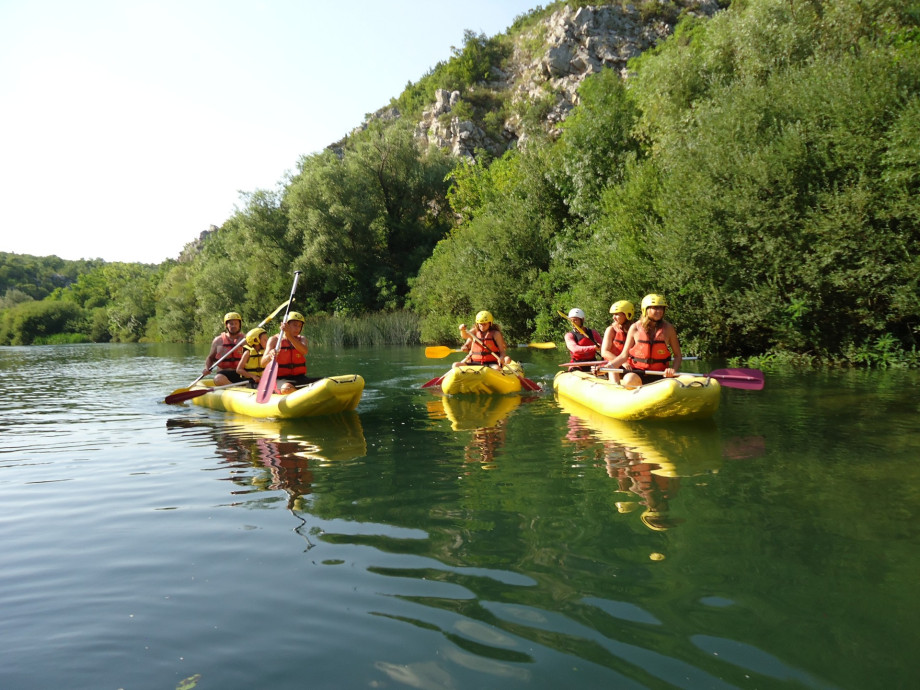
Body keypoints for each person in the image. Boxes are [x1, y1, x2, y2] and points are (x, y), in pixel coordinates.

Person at [608, 294, 682, 388]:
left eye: (661, 308)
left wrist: (673, 370)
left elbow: (678, 355)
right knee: (629, 379)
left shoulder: (669, 329)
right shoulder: (635, 328)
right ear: (645, 309)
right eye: (655, 308)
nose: (659, 311)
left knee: (688, 377)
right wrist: (609, 366)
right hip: (638, 373)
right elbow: (624, 356)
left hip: (660, 374)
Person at [261, 312, 319, 394]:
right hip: (280, 379)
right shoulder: (274, 340)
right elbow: (263, 363)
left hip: (300, 378)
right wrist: (270, 356)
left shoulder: (302, 339)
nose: (297, 328)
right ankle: (303, 398)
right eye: (295, 325)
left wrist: (289, 336)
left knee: (327, 381)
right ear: (287, 325)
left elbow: (304, 351)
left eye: (300, 326)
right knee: (287, 388)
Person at [204, 311, 245, 387]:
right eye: (231, 324)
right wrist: (207, 368)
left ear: (239, 325)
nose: (234, 326)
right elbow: (210, 358)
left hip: (241, 373)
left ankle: (235, 388)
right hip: (224, 374)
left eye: (236, 323)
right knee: (217, 379)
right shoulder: (218, 341)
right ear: (226, 325)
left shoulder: (245, 340)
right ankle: (236, 388)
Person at [601, 300, 635, 383]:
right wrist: (622, 362)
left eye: (617, 314)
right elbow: (604, 352)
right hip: (614, 364)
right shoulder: (611, 330)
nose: (613, 317)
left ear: (627, 314)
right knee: (614, 367)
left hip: (631, 365)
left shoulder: (636, 329)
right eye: (613, 315)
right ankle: (615, 386)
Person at [564, 308, 603, 372]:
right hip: (577, 364)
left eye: (575, 320)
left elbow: (603, 347)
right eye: (571, 321)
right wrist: (594, 348)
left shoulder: (593, 333)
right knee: (575, 371)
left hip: (592, 363)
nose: (573, 323)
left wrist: (601, 348)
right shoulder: (569, 335)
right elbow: (575, 349)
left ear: (582, 320)